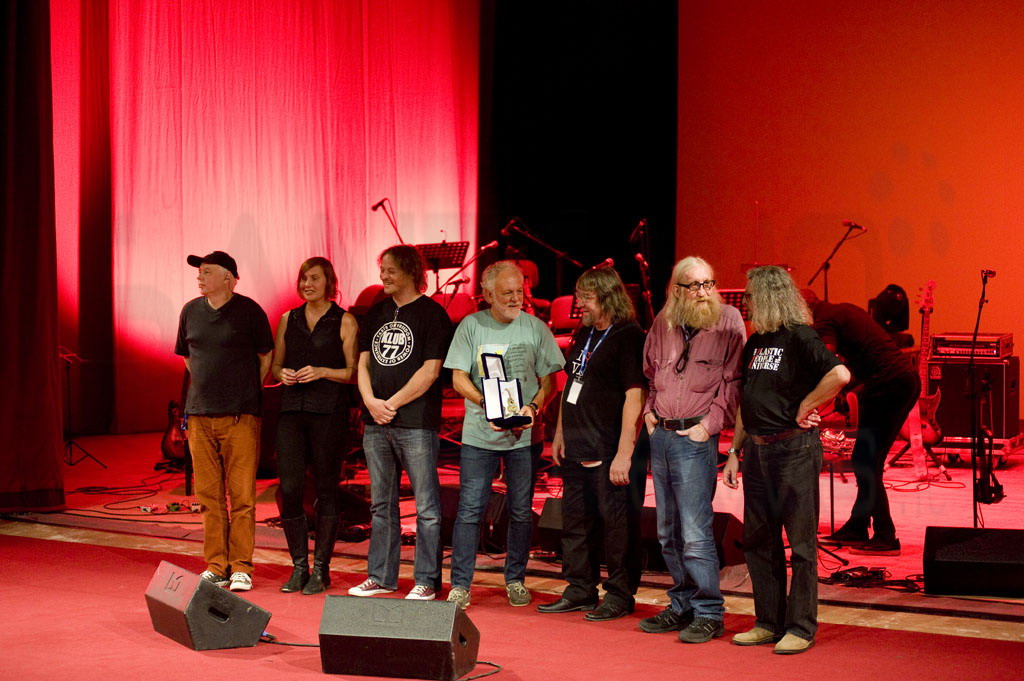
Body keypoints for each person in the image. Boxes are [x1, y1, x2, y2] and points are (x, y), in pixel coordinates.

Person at [723, 266, 851, 655]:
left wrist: (805, 406)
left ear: (768, 296)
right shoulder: (756, 342)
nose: (745, 303)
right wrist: (734, 451)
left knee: (801, 545)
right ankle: (768, 622)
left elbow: (840, 375)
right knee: (759, 541)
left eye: (750, 296)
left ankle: (801, 627)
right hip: (757, 451)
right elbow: (747, 399)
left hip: (793, 449)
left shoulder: (800, 336)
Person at [443, 261, 564, 609]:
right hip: (479, 435)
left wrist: (533, 408)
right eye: (507, 292)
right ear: (487, 294)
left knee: (521, 510)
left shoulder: (535, 328)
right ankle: (460, 584)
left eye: (519, 292)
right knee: (470, 510)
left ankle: (515, 579)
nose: (516, 298)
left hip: (524, 437)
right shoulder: (471, 326)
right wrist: (486, 404)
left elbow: (550, 382)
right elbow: (458, 378)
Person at [638, 257, 746, 642]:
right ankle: (682, 604)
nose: (703, 292)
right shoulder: (663, 321)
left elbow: (734, 382)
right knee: (667, 532)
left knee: (696, 533)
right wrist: (649, 414)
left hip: (695, 437)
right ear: (676, 290)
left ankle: (708, 612)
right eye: (695, 286)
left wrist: (709, 426)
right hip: (663, 435)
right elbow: (651, 374)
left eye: (708, 284)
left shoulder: (729, 320)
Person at [536, 266, 646, 621]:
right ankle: (580, 589)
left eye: (586, 296)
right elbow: (571, 384)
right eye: (578, 295)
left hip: (609, 447)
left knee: (617, 527)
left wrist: (625, 452)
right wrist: (560, 432)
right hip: (576, 444)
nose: (579, 303)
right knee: (575, 523)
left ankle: (619, 594)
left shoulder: (629, 336)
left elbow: (635, 396)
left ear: (608, 297)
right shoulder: (584, 333)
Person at [349, 244, 453, 600]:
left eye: (391, 270)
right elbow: (363, 363)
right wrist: (370, 402)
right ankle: (380, 576)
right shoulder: (377, 312)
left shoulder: (433, 314)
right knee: (381, 505)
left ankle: (426, 580)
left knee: (426, 508)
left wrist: (389, 404)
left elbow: (431, 371)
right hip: (376, 422)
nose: (383, 276)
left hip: (415, 423)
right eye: (382, 269)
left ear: (410, 272)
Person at [174, 251, 274, 592]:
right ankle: (217, 565)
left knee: (242, 497)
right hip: (200, 415)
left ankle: (241, 566)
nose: (199, 278)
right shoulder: (190, 311)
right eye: (199, 273)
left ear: (228, 278)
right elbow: (188, 358)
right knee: (209, 497)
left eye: (207, 272)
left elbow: (266, 357)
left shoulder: (249, 312)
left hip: (239, 415)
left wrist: (244, 392)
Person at [803, 290, 919, 556]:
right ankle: (858, 526)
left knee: (866, 462)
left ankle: (885, 536)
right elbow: (860, 357)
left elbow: (827, 361)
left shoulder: (824, 320)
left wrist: (808, 398)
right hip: (900, 381)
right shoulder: (842, 308)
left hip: (888, 385)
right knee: (867, 460)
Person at [271, 257, 358, 594]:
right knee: (290, 488)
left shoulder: (344, 320)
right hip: (291, 411)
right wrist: (282, 373)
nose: (308, 284)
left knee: (326, 489)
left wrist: (322, 371)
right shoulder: (287, 318)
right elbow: (275, 365)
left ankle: (321, 569)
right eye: (304, 278)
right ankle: (299, 567)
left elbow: (354, 372)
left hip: (328, 413)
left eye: (315, 278)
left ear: (329, 282)